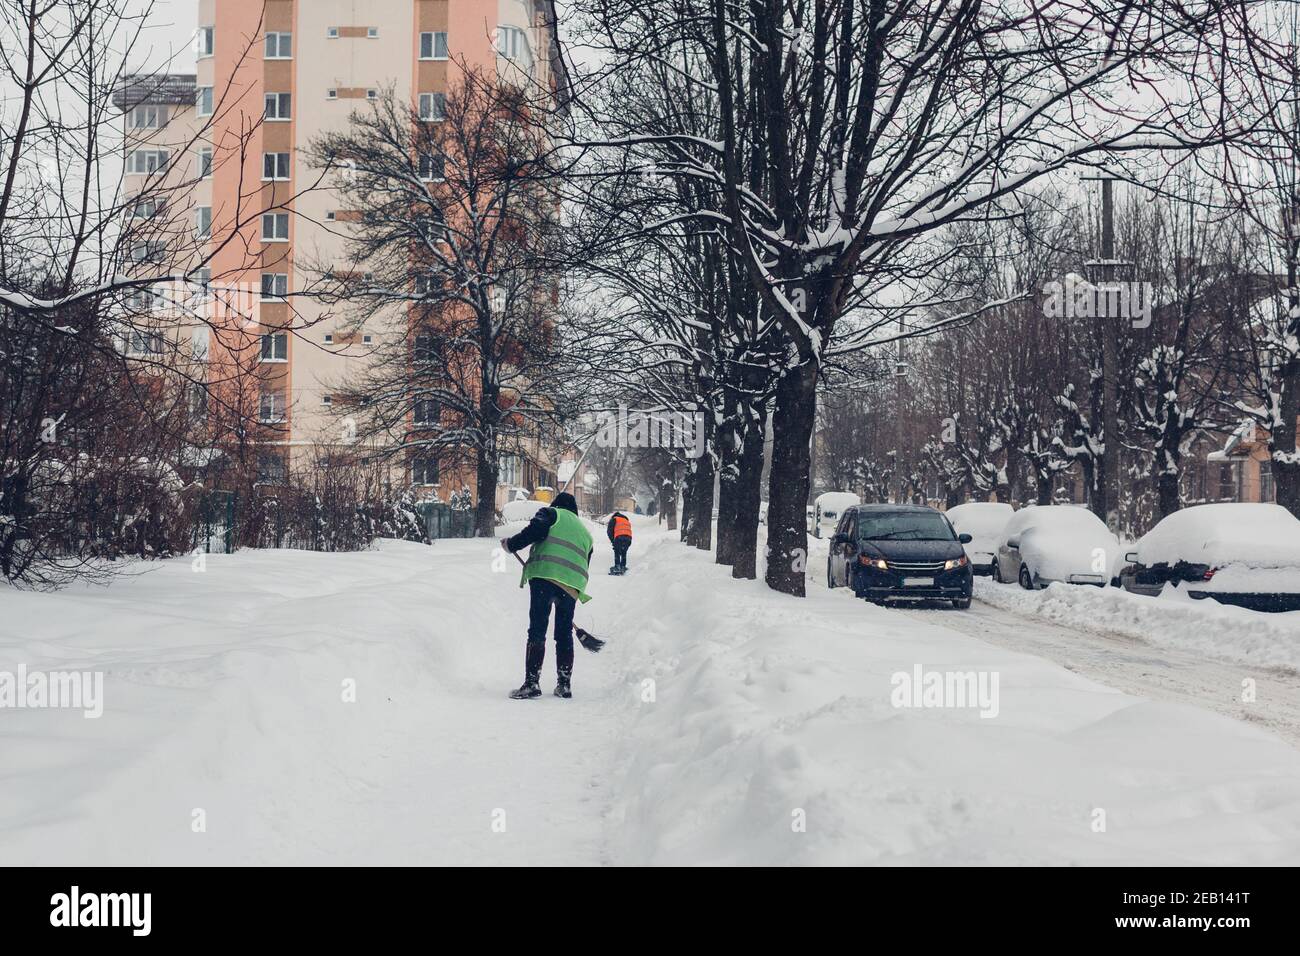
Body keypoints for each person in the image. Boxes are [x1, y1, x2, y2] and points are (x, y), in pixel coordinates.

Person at [500, 492, 592, 699]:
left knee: (538, 629)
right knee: (563, 633)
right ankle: (564, 684)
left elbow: (536, 530)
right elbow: (586, 560)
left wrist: (511, 544)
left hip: (544, 577)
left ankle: (532, 683)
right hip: (572, 585)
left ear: (557, 505)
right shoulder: (585, 532)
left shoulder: (551, 513)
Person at [606, 510, 632, 574]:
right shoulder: (626, 520)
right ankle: (623, 566)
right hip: (629, 538)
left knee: (617, 551)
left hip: (619, 537)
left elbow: (609, 531)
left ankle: (617, 567)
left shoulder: (614, 519)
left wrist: (613, 541)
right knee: (624, 551)